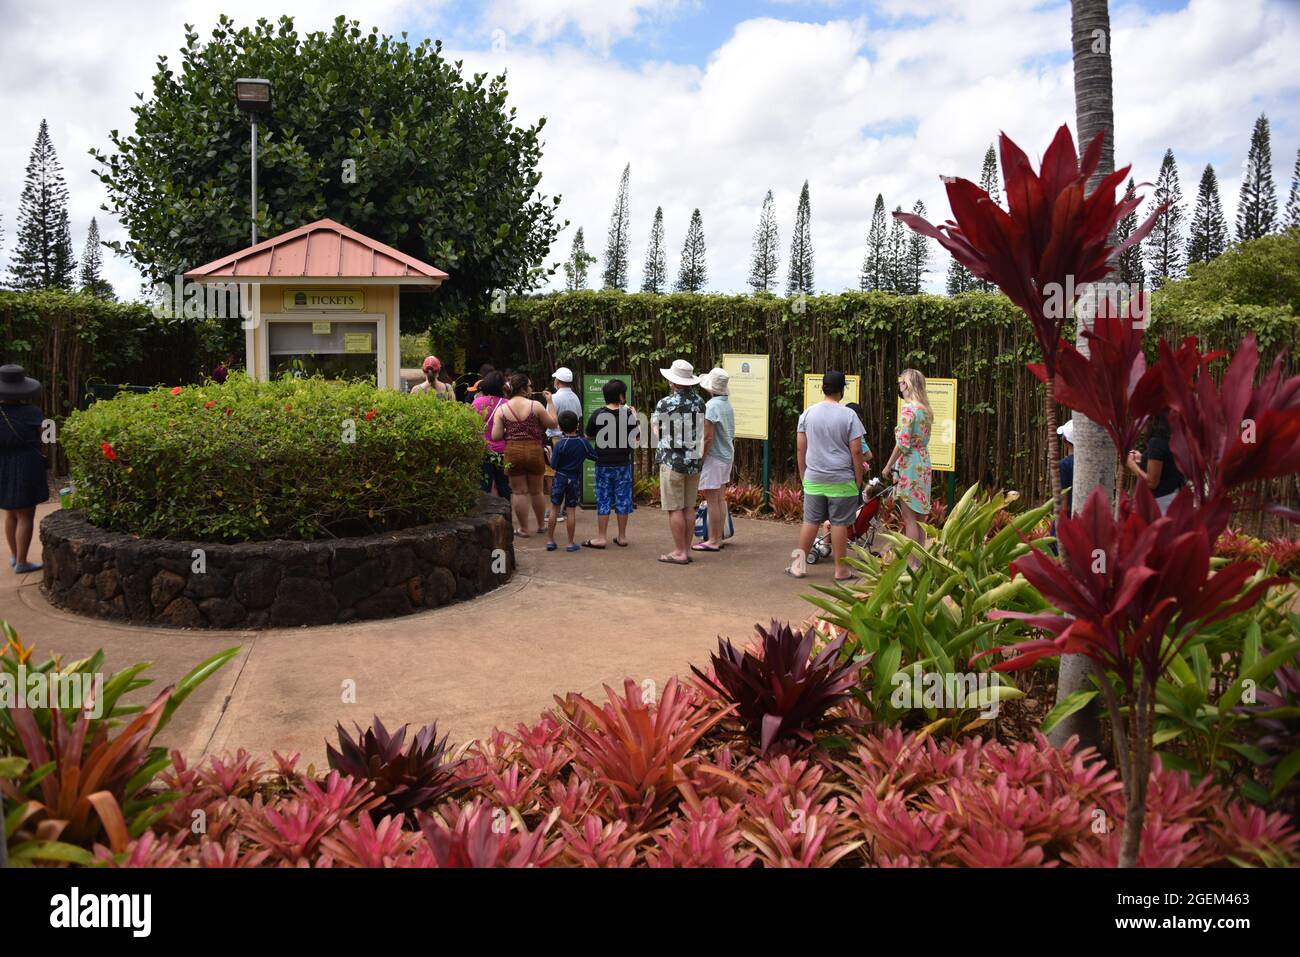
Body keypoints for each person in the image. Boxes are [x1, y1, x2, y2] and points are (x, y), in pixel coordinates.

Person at [789, 371, 865, 581]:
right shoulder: (849, 416)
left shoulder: (807, 414)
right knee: (839, 523)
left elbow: (800, 449)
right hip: (841, 480)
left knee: (810, 521)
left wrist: (805, 474)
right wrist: (858, 479)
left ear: (823, 388)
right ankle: (841, 570)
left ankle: (798, 566)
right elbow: (856, 451)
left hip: (814, 478)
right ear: (842, 390)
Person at [651, 359, 706, 565]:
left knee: (674, 508)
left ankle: (679, 551)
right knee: (689, 507)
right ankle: (687, 549)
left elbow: (657, 430)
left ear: (673, 382)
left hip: (672, 460)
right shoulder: (700, 402)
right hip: (693, 460)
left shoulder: (665, 403)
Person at [491, 372, 557, 536]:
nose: (531, 389)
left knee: (519, 492)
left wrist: (510, 432)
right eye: (529, 386)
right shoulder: (536, 406)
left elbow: (495, 436)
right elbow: (552, 423)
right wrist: (550, 402)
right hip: (534, 450)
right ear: (523, 388)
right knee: (537, 491)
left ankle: (524, 528)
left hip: (513, 451)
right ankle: (541, 525)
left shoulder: (502, 409)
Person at [0, 365, 49, 574]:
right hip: (26, 463)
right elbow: (47, 437)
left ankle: (14, 556)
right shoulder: (33, 412)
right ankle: (22, 561)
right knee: (26, 514)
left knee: (10, 512)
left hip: (3, 463)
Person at [882, 368, 933, 559]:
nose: (899, 385)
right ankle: (921, 559)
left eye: (901, 382)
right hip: (923, 462)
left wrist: (888, 466)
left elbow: (902, 443)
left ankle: (913, 564)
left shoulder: (908, 409)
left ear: (907, 385)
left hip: (910, 464)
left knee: (909, 519)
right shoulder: (925, 409)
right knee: (920, 519)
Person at [584, 378, 639, 549]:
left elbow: (588, 436)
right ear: (621, 396)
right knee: (623, 499)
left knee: (604, 499)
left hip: (603, 464)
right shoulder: (628, 415)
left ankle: (601, 537)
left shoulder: (597, 415)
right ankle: (622, 537)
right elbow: (636, 439)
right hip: (623, 464)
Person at [693, 367, 735, 553]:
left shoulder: (711, 406)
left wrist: (700, 458)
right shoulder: (726, 403)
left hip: (714, 457)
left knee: (712, 499)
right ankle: (719, 537)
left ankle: (714, 539)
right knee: (720, 498)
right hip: (726, 455)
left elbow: (708, 438)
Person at [546, 410, 594, 552]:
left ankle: (550, 541)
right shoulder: (582, 442)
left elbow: (553, 465)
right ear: (577, 425)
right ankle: (570, 543)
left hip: (559, 478)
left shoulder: (560, 444)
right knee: (571, 510)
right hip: (573, 479)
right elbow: (594, 456)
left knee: (554, 509)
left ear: (560, 428)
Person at [544, 367, 582, 523]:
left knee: (556, 473)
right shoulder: (576, 398)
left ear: (558, 381)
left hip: (557, 439)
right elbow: (578, 417)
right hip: (573, 438)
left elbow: (549, 420)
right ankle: (567, 506)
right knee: (571, 472)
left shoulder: (553, 398)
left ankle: (556, 510)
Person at [1127, 413, 1185, 514]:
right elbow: (1167, 464)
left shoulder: (1156, 443)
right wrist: (1143, 458)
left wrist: (1132, 465)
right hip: (1172, 498)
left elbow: (1151, 483)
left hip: (1159, 504)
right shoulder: (1171, 439)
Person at [472, 371, 510, 499]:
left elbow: (471, 425)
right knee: (504, 487)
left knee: (484, 486)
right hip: (502, 452)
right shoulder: (506, 403)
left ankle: (484, 516)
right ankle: (507, 516)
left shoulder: (477, 402)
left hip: (482, 450)